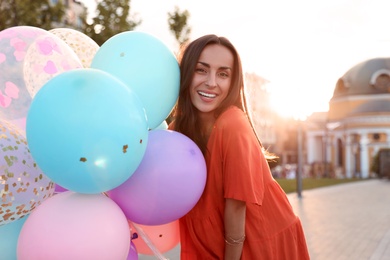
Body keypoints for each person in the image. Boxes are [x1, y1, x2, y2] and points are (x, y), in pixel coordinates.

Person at [169, 34, 310, 260]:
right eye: (201, 70)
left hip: (259, 239)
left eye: (223, 74)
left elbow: (236, 208)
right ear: (185, 73)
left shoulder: (233, 123)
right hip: (214, 239)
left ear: (233, 82)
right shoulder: (177, 131)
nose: (212, 82)